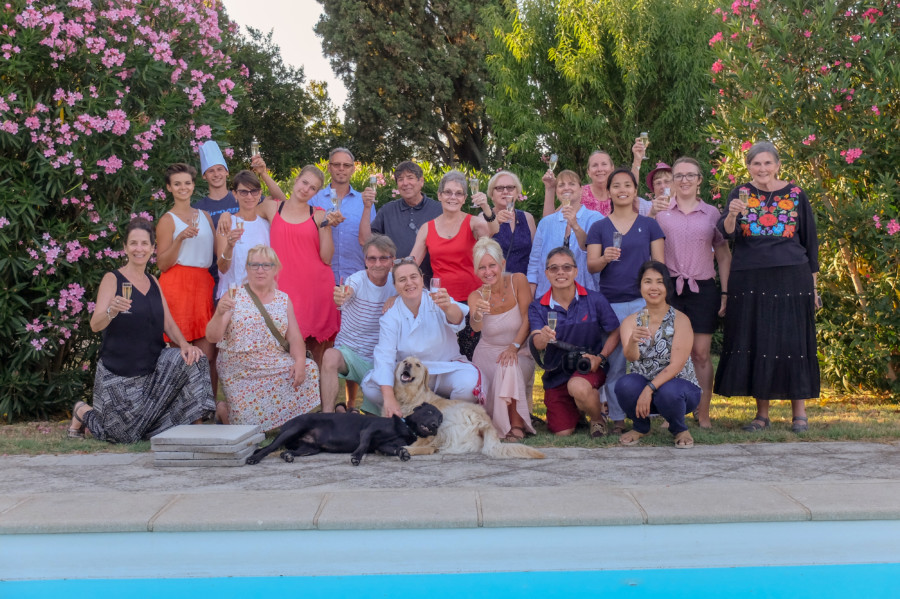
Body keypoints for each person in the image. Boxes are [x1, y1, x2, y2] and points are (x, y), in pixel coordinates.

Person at [67, 218, 214, 442]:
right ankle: (83, 411)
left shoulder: (154, 281)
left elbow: (168, 322)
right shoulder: (112, 279)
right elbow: (95, 325)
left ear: (152, 248)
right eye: (133, 243)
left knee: (196, 358)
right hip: (118, 375)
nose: (139, 249)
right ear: (125, 247)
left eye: (145, 244)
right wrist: (111, 311)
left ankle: (197, 428)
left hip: (154, 372)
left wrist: (185, 345)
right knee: (123, 437)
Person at [715, 141, 820, 433]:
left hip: (792, 277)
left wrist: (814, 288)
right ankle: (762, 415)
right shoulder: (739, 193)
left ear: (778, 165)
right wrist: (733, 213)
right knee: (758, 342)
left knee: (793, 343)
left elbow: (810, 242)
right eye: (756, 164)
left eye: (767, 163)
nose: (762, 169)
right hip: (750, 278)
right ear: (748, 166)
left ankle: (799, 414)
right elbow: (726, 234)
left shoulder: (797, 194)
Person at [205, 245, 320, 431]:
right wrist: (219, 313)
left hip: (272, 362)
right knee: (245, 429)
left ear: (275, 269)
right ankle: (224, 410)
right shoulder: (234, 296)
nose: (260, 270)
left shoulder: (283, 299)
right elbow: (212, 336)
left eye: (266, 265)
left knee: (309, 368)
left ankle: (284, 424)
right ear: (247, 268)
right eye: (254, 265)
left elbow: (295, 337)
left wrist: (299, 360)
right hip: (239, 369)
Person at [586, 168, 665, 434]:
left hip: (644, 303)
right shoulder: (599, 227)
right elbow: (592, 266)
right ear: (608, 191)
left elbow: (659, 266)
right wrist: (604, 258)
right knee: (617, 364)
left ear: (634, 190)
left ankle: (653, 413)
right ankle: (618, 418)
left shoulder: (650, 224)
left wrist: (655, 300)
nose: (622, 189)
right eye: (616, 185)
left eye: (627, 185)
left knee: (650, 360)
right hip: (613, 305)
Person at [655, 157, 731, 428]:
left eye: (690, 175)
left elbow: (723, 255)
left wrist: (725, 293)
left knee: (700, 353)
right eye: (679, 175)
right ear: (672, 181)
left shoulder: (712, 214)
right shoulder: (660, 213)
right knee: (673, 353)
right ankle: (672, 411)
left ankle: (703, 412)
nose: (684, 180)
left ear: (700, 180)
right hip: (670, 289)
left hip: (703, 289)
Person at [360, 259, 479, 418]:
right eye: (402, 280)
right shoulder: (392, 315)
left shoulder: (436, 297)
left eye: (413, 277)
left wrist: (448, 307)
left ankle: (448, 418)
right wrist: (389, 398)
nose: (409, 283)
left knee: (468, 384)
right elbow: (385, 356)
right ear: (395, 286)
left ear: (422, 279)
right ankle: (410, 414)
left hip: (445, 369)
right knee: (372, 389)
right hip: (410, 375)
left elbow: (458, 320)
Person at [529, 247, 620, 437]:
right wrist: (544, 338)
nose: (560, 272)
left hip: (588, 368)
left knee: (578, 386)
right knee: (563, 432)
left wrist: (600, 357)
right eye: (554, 268)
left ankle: (597, 419)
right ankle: (578, 411)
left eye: (566, 267)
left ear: (576, 271)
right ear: (546, 273)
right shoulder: (538, 306)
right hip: (557, 375)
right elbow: (537, 342)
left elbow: (615, 332)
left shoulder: (595, 299)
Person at [409, 170, 499, 359]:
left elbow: (493, 230)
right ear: (440, 195)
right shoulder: (428, 227)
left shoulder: (473, 222)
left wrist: (486, 207)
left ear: (465, 198)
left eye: (458, 193)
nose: (453, 197)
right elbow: (412, 263)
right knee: (442, 355)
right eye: (448, 192)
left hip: (472, 300)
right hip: (442, 301)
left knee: (471, 356)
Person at [616, 261, 702, 449]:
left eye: (659, 282)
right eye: (648, 282)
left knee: (668, 392)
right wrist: (632, 340)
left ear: (667, 287)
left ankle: (679, 428)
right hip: (644, 388)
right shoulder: (631, 321)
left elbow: (677, 365)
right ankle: (641, 427)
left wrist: (649, 390)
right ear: (640, 286)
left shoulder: (681, 320)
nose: (653, 287)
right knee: (624, 385)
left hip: (680, 390)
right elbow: (631, 358)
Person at [468, 238, 535, 441]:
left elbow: (528, 320)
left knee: (509, 364)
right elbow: (476, 327)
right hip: (487, 353)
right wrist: (478, 314)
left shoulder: (518, 281)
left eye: (492, 266)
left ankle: (515, 425)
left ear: (502, 264)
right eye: (482, 268)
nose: (488, 272)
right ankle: (494, 422)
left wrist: (514, 347)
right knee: (496, 368)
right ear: (475, 271)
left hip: (519, 350)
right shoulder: (475, 296)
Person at [155, 163, 217, 384]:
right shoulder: (167, 220)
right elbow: (162, 264)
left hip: (203, 285)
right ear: (169, 188)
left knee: (208, 355)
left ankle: (206, 408)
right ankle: (184, 412)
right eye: (177, 184)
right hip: (177, 286)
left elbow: (218, 253)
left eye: (187, 183)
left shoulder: (205, 216)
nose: (183, 187)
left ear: (193, 185)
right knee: (182, 356)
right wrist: (180, 238)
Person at [321, 235, 397, 413]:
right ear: (365, 261)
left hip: (382, 361)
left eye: (383, 258)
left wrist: (396, 296)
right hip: (350, 353)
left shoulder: (398, 283)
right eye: (372, 258)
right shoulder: (356, 279)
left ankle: (349, 410)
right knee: (330, 356)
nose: (377, 264)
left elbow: (418, 293)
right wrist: (342, 295)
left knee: (379, 417)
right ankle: (327, 416)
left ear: (392, 260)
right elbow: (348, 290)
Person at [360, 160, 442, 282]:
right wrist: (367, 207)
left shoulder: (439, 210)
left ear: (421, 181)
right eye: (400, 179)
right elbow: (365, 241)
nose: (405, 183)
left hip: (432, 282)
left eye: (410, 178)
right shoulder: (387, 210)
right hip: (394, 281)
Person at [527, 169, 603, 299]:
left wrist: (575, 225)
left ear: (581, 189)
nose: (566, 188)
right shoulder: (546, 223)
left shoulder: (595, 219)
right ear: (557, 192)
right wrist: (531, 299)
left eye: (571, 184)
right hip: (548, 296)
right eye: (561, 185)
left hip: (585, 295)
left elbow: (592, 252)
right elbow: (534, 264)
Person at [310, 148, 376, 283]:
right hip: (320, 278)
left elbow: (370, 242)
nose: (341, 169)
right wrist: (325, 223)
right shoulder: (314, 199)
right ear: (329, 168)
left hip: (356, 278)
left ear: (353, 169)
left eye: (346, 165)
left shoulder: (364, 201)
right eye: (336, 165)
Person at [541, 143, 648, 217]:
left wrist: (637, 160)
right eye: (595, 165)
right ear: (588, 171)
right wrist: (549, 189)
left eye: (604, 164)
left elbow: (632, 185)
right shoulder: (581, 192)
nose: (600, 169)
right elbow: (550, 221)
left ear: (612, 168)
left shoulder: (618, 192)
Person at [215, 170, 271, 302]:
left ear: (260, 194)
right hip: (233, 297)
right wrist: (229, 246)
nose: (249, 196)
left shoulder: (266, 224)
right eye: (243, 192)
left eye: (254, 191)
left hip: (261, 297)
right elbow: (222, 269)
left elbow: (284, 201)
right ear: (235, 194)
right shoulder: (226, 223)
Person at [482, 170, 535, 275]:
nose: (505, 191)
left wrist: (532, 284)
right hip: (495, 283)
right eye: (499, 188)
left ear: (517, 192)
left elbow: (535, 255)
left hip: (524, 284)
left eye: (510, 187)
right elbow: (479, 250)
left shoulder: (527, 218)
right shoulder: (484, 218)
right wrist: (495, 221)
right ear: (492, 195)